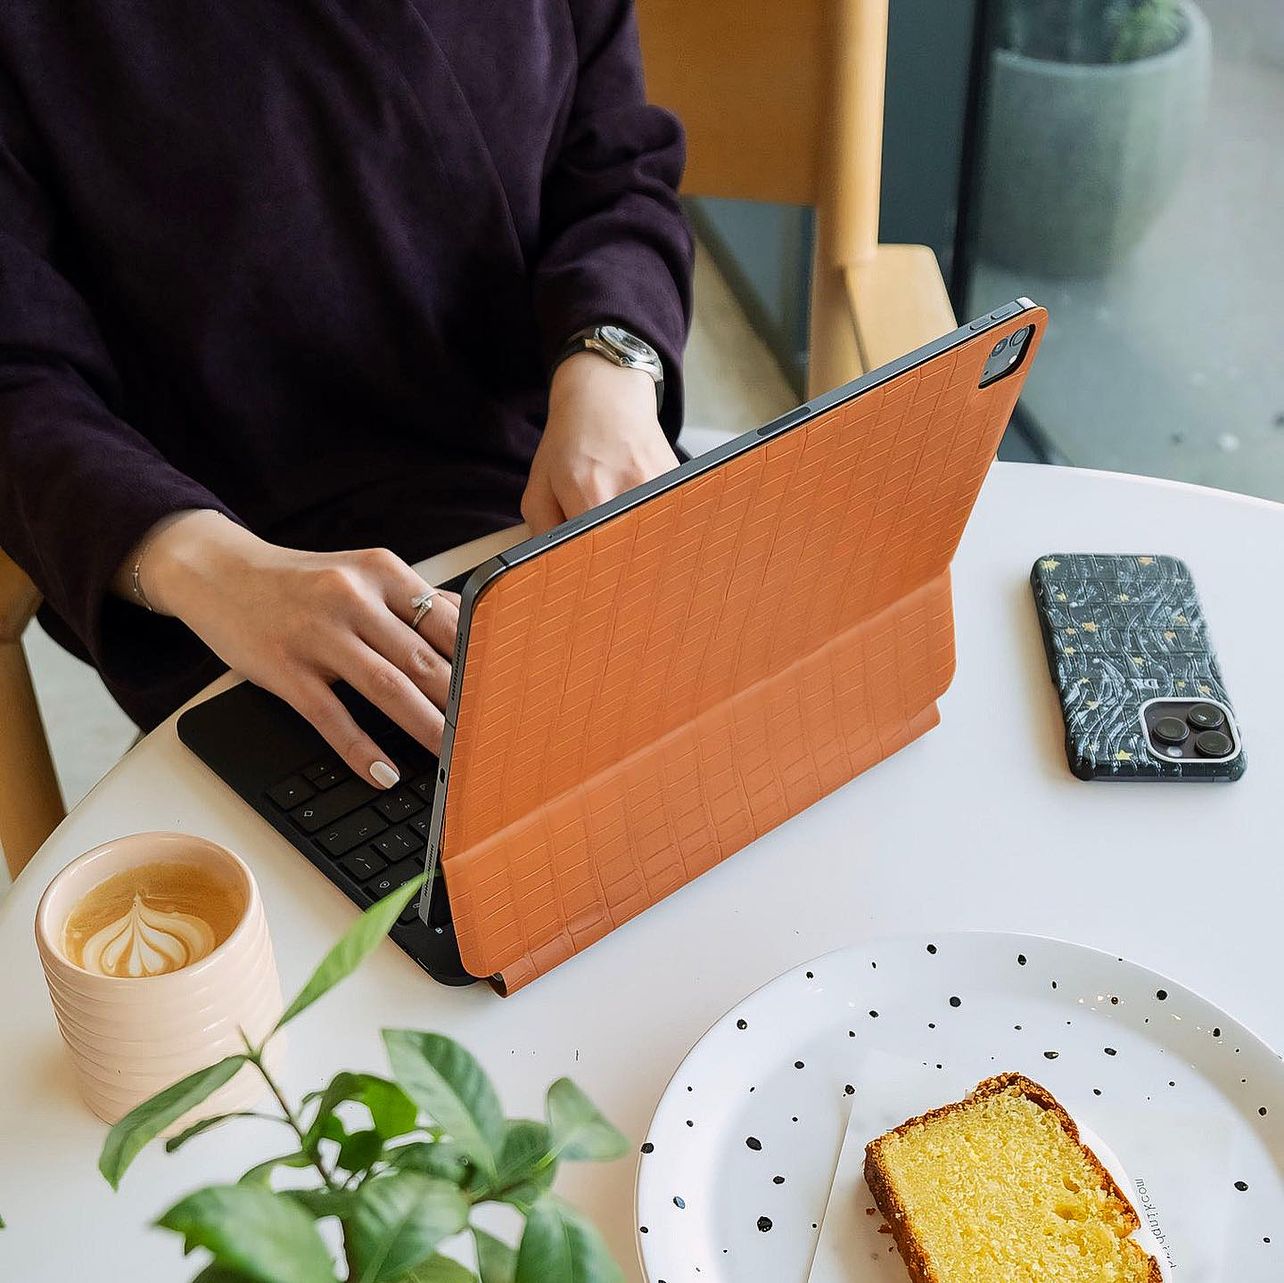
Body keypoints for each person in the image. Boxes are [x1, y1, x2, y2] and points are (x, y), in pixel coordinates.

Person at [0, 1, 692, 791]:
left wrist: (610, 361)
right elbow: (19, 380)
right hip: (253, 581)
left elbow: (612, 167)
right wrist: (204, 563)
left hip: (554, 488)